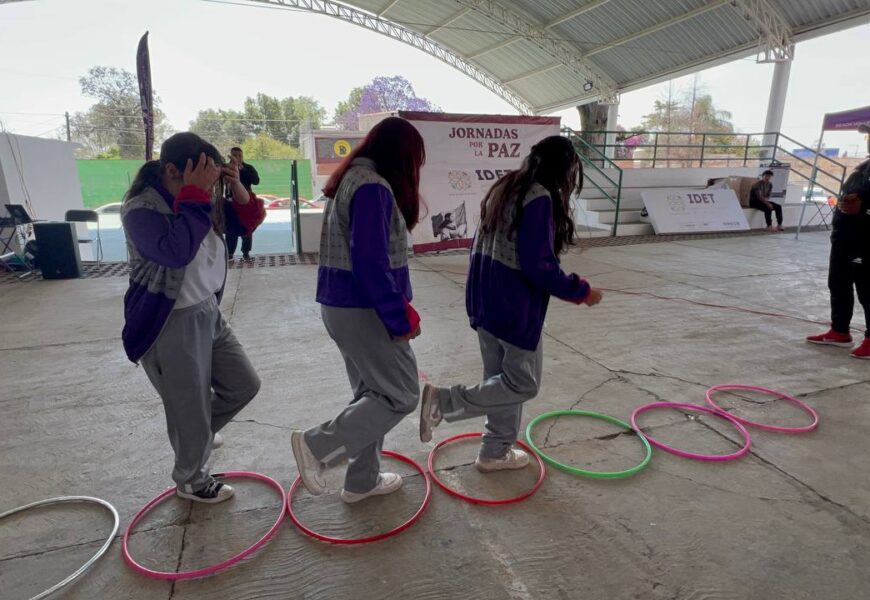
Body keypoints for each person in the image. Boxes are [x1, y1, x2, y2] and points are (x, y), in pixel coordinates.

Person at [417, 136, 603, 470]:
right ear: (563, 169)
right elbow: (540, 266)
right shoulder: (539, 198)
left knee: (500, 382)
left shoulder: (508, 189)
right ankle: (444, 403)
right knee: (522, 383)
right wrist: (581, 291)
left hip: (485, 300)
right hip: (513, 307)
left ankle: (494, 451)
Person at [289, 117, 425, 502]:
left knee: (373, 394)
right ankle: (316, 446)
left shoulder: (352, 179)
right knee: (401, 394)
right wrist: (398, 316)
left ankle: (361, 481)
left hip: (342, 305)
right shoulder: (373, 188)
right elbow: (370, 262)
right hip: (364, 308)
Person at [121, 132, 261, 503]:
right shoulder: (142, 209)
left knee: (244, 384)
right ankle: (192, 480)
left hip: (207, 310)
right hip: (171, 319)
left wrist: (237, 191)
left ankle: (194, 434)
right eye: (201, 175)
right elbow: (176, 251)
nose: (209, 185)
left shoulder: (203, 199)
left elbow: (245, 223)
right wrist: (196, 196)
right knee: (189, 403)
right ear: (171, 170)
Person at [807, 124, 870, 359]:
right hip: (844, 237)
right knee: (838, 282)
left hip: (865, 240)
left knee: (867, 289)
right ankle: (839, 330)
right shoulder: (864, 167)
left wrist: (865, 209)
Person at [224, 146, 264, 262]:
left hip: (246, 203)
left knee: (247, 228)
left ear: (243, 156)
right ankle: (230, 253)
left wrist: (242, 170)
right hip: (230, 202)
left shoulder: (248, 168)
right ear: (230, 156)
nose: (237, 158)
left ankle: (246, 252)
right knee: (230, 229)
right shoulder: (226, 168)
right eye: (235, 155)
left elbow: (256, 181)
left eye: (240, 156)